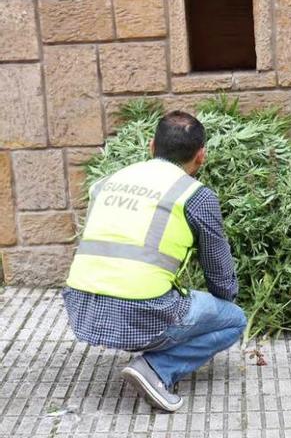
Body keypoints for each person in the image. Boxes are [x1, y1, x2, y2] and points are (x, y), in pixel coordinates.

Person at [63, 111, 244, 413]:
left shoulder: (107, 182)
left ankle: (150, 347)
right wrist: (223, 305)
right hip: (141, 316)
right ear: (202, 156)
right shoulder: (195, 196)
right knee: (234, 320)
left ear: (151, 146)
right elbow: (219, 273)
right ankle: (157, 368)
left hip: (82, 313)